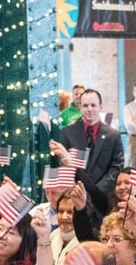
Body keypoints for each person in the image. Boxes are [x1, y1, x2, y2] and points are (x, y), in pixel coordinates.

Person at [53, 89, 124, 221]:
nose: (89, 109)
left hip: (103, 198)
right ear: (80, 107)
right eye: (85, 105)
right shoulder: (66, 134)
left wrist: (95, 190)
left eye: (93, 105)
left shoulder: (113, 135)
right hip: (75, 197)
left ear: (100, 107)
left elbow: (117, 167)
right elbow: (64, 166)